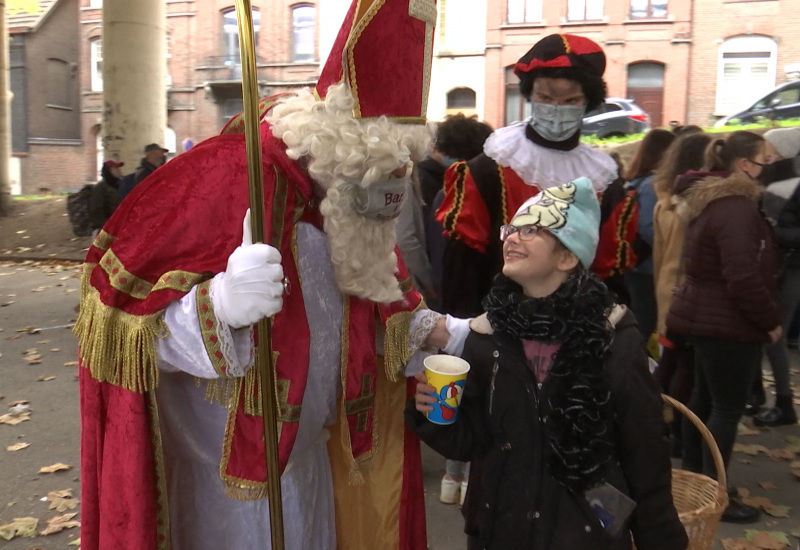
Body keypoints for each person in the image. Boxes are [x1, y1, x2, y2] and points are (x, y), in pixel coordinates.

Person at [74, 1, 459, 548]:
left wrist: (453, 333)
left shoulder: (354, 217)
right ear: (334, 152)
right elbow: (115, 329)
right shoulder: (224, 178)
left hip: (309, 471)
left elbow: (383, 305)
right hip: (219, 491)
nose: (387, 199)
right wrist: (218, 307)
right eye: (377, 175)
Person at [407, 177, 688, 550]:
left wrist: (662, 540)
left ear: (567, 257)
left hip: (586, 530)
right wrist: (433, 415)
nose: (512, 237)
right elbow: (475, 443)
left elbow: (645, 451)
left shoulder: (613, 338)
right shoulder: (488, 334)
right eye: (512, 228)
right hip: (501, 527)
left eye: (533, 230)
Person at [436, 33, 617, 319]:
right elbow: (463, 268)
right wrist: (466, 336)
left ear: (587, 103)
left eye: (571, 100)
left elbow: (608, 273)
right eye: (546, 97)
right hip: (495, 324)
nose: (557, 109)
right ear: (530, 96)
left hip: (576, 328)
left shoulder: (605, 181)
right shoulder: (489, 169)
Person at [666, 131, 782, 524]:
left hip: (708, 316)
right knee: (725, 408)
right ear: (745, 166)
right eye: (766, 158)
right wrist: (769, 322)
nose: (772, 165)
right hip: (727, 322)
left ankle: (700, 486)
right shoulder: (736, 207)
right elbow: (742, 275)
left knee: (705, 401)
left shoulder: (720, 202)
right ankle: (716, 494)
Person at [651, 131, 712, 455]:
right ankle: (677, 429)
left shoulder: (663, 199)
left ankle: (658, 422)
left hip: (666, 287)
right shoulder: (695, 203)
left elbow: (660, 253)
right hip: (686, 289)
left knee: (669, 359)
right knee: (684, 365)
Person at [754, 127, 800, 426]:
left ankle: (784, 403)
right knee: (766, 334)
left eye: (771, 151)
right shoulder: (778, 181)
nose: (766, 157)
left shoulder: (790, 186)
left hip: (790, 269)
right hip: (782, 267)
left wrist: (770, 233)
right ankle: (758, 396)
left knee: (774, 335)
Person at [622, 129, 676, 343]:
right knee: (644, 326)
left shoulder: (635, 181)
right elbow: (648, 226)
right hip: (646, 266)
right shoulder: (653, 185)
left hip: (634, 261)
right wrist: (670, 245)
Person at [88, 159, 124, 237]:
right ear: (110, 170)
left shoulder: (120, 185)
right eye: (116, 168)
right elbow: (96, 209)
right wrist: (105, 226)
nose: (119, 171)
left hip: (118, 228)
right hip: (104, 230)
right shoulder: (101, 187)